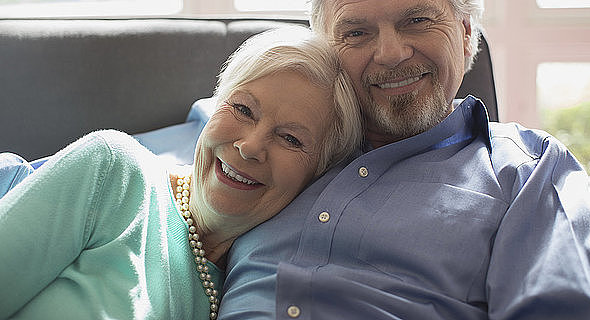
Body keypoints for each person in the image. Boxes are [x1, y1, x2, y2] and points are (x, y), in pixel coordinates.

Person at [218, 0, 590, 319]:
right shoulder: (259, 142)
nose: (390, 53)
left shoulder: (529, 169)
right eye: (356, 32)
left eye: (416, 21)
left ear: (467, 32)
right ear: (326, 50)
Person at [0, 26, 363, 320]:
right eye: (242, 109)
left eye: (289, 138)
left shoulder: (256, 293)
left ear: (319, 174)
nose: (250, 146)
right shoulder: (113, 171)